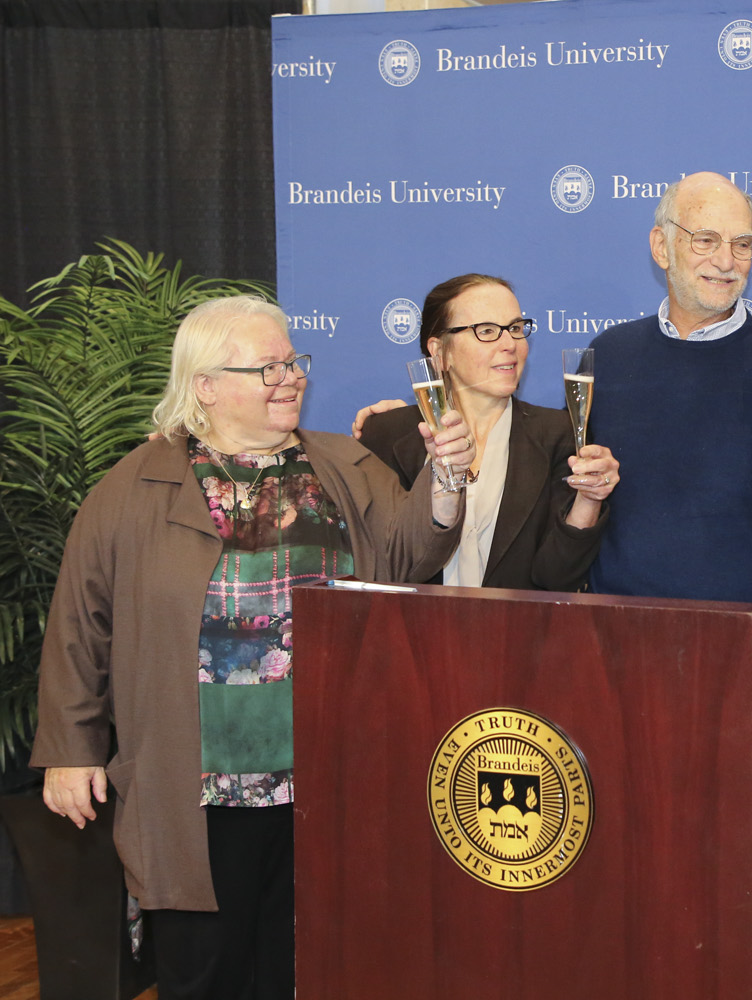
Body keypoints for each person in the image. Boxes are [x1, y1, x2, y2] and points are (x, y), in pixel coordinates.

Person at [31, 296, 473, 1000]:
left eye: (291, 362)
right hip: (199, 782)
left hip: (328, 773)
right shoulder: (133, 488)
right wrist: (72, 749)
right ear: (205, 385)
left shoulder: (345, 465)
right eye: (264, 368)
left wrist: (446, 477)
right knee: (207, 972)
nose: (288, 378)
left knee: (307, 967)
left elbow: (411, 551)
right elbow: (81, 621)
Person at [583, 171, 752, 602]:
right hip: (619, 631)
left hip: (745, 639)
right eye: (706, 239)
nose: (726, 261)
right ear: (662, 246)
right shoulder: (608, 355)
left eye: (742, 244)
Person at [359, 273, 617, 590]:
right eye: (487, 331)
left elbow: (556, 578)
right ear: (440, 352)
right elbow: (375, 564)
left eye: (515, 328)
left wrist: (589, 499)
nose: (510, 344)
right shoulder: (387, 433)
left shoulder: (557, 434)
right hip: (410, 634)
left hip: (514, 633)